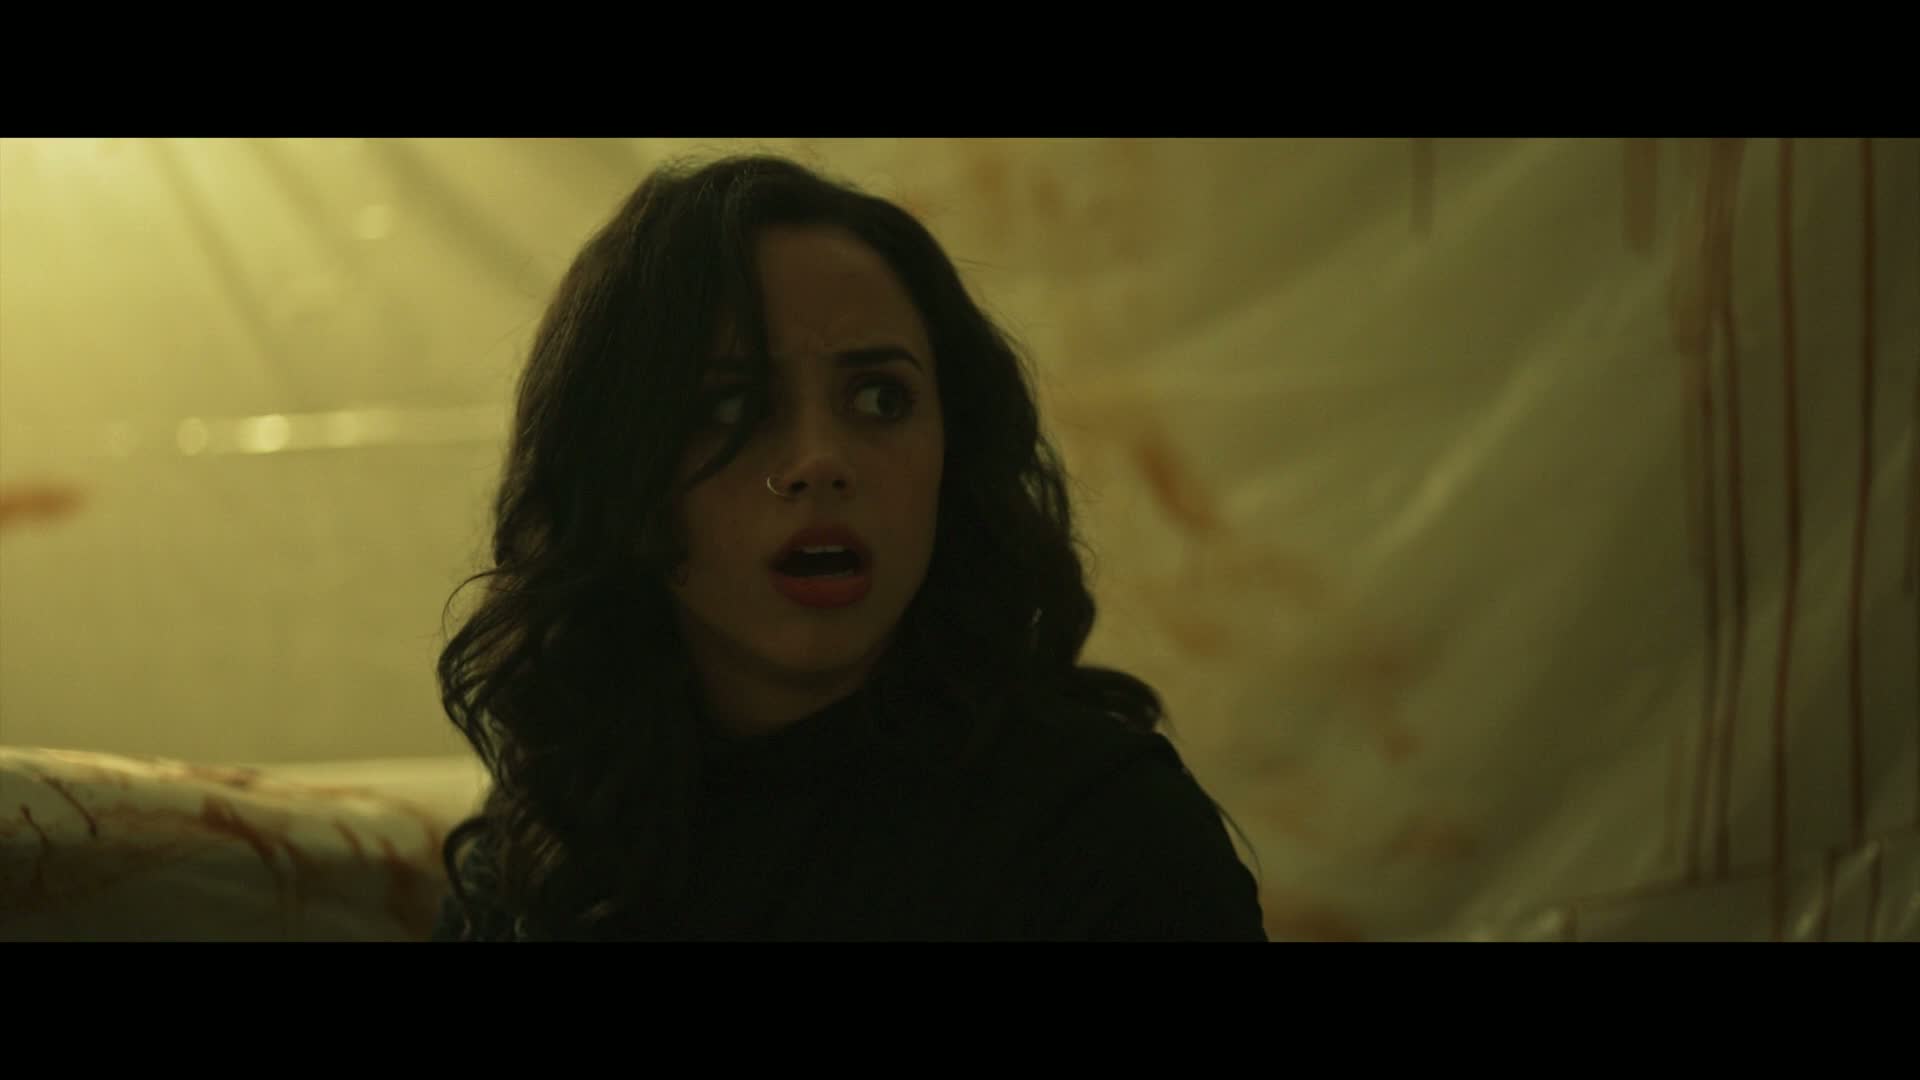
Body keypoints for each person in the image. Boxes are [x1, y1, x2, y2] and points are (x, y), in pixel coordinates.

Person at [432, 153, 1265, 941]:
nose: (820, 461)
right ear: (617, 475)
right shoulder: (558, 834)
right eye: (731, 406)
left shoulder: (1102, 834)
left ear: (953, 454)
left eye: (879, 399)